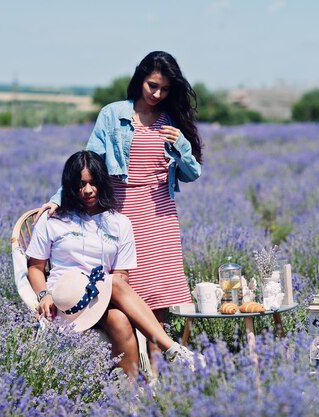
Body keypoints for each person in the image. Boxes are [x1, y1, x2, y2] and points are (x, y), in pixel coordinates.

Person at [38, 51, 203, 370]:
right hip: (123, 211)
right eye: (152, 85)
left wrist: (182, 146)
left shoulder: (172, 121)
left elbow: (191, 173)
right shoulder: (113, 115)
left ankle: (158, 372)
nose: (157, 94)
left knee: (157, 296)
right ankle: (129, 367)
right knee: (123, 287)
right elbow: (91, 161)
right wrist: (60, 198)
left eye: (165, 89)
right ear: (140, 79)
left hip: (161, 215)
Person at [27, 150, 202, 378]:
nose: (87, 190)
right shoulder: (54, 220)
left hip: (99, 302)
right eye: (80, 184)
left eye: (93, 183)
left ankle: (128, 397)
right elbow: (35, 267)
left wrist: (106, 287)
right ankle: (172, 349)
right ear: (70, 186)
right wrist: (43, 295)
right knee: (115, 285)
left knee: (120, 319)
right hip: (64, 303)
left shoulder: (119, 223)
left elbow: (121, 274)